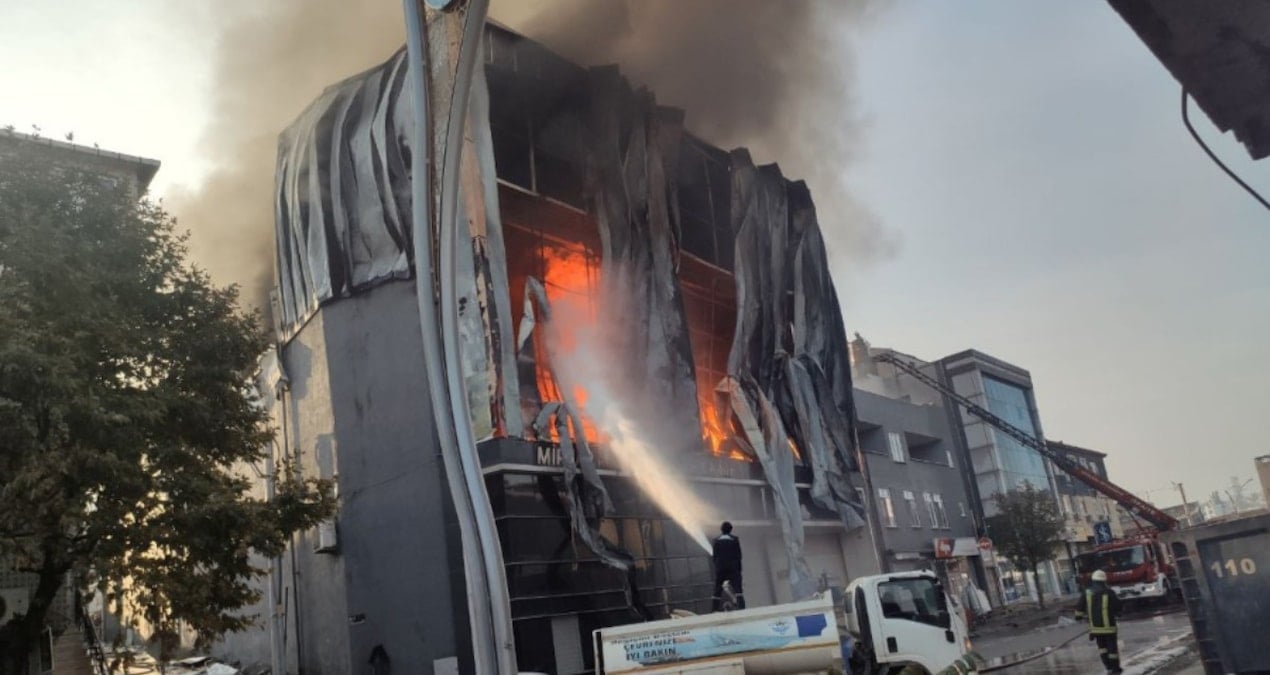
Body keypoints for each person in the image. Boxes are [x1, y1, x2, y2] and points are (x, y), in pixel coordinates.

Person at [1074, 569, 1123, 674]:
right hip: (1109, 628)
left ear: (1094, 580)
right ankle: (1115, 669)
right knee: (1112, 649)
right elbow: (1118, 606)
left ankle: (1108, 668)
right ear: (1104, 580)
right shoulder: (1109, 592)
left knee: (1102, 649)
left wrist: (1078, 617)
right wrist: (1118, 613)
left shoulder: (1087, 592)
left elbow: (1079, 607)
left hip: (1096, 628)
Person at [711, 522, 744, 610]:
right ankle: (741, 607)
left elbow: (714, 556)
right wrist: (739, 569)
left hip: (720, 569)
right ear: (731, 529)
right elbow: (738, 555)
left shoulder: (716, 540)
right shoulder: (734, 539)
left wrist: (717, 567)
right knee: (738, 589)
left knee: (717, 589)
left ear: (721, 529)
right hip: (733, 568)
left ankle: (714, 609)